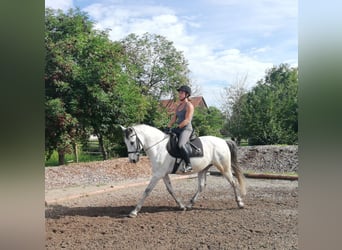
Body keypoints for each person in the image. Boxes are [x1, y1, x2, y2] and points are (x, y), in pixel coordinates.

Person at [167, 85, 194, 173]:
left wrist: (178, 127)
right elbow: (174, 118)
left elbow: (187, 120)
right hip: (179, 128)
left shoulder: (189, 105)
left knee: (181, 145)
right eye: (179, 92)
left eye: (181, 92)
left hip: (186, 129)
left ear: (187, 94)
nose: (179, 94)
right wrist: (168, 127)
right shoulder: (178, 106)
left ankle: (189, 164)